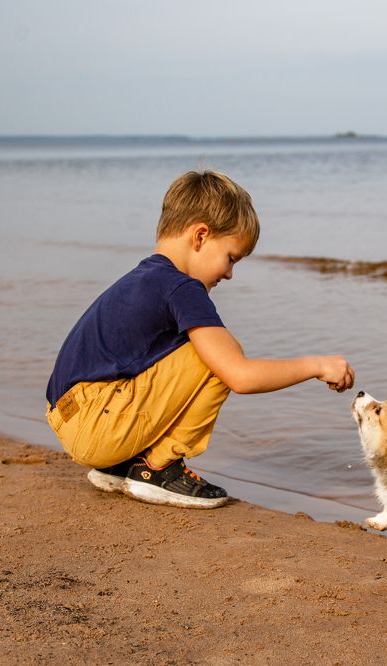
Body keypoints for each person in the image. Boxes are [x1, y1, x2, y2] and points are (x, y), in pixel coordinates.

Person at [45, 170, 355, 509]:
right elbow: (239, 376)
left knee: (199, 349)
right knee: (220, 356)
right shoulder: (182, 287)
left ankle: (121, 466)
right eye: (231, 258)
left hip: (70, 418)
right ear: (200, 236)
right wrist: (316, 365)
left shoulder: (145, 277)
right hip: (97, 427)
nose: (229, 273)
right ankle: (158, 467)